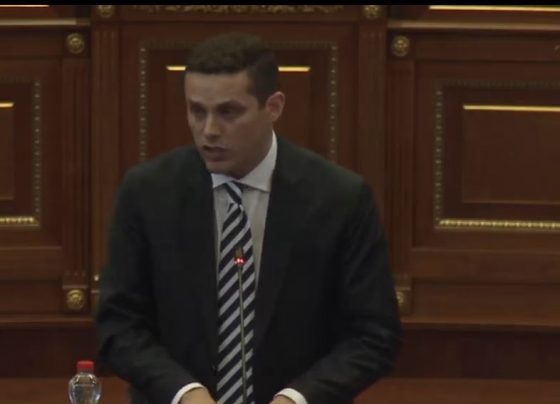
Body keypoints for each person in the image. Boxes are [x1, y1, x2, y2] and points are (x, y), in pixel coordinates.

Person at [95, 32, 401, 404]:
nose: (209, 130)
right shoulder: (147, 193)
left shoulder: (340, 199)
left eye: (228, 112)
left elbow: (373, 336)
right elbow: (118, 326)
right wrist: (184, 393)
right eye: (197, 111)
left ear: (273, 107)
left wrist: (296, 399)